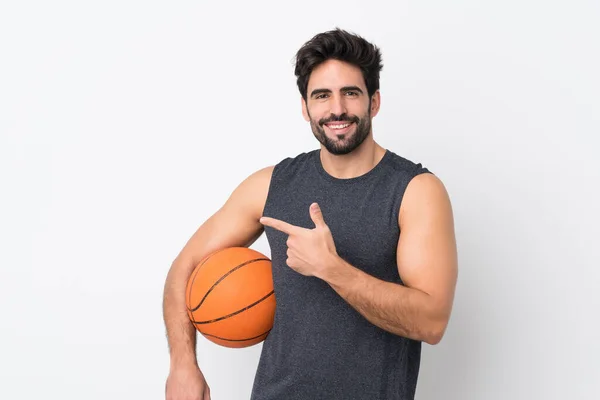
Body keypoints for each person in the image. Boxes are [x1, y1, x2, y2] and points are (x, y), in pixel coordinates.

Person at [163, 28, 458, 400]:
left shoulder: (415, 191)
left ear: (374, 102)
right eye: (322, 96)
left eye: (351, 93)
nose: (337, 109)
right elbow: (184, 265)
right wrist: (182, 364)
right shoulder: (271, 185)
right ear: (305, 107)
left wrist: (331, 269)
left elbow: (432, 322)